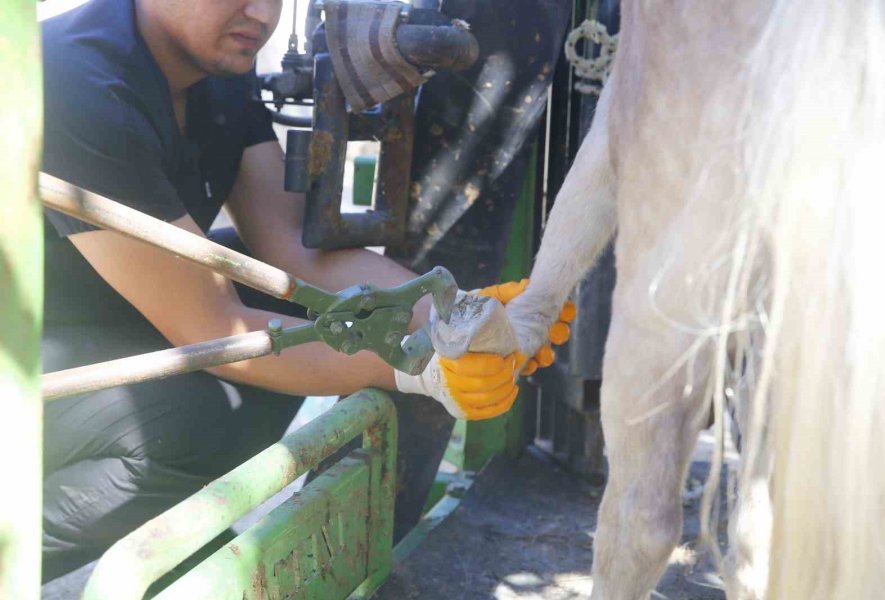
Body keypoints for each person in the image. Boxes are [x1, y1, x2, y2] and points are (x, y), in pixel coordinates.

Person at [38, 0, 571, 581]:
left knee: (277, 336)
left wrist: (461, 315)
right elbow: (214, 325)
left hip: (105, 312)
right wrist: (417, 367)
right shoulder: (78, 85)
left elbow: (293, 246)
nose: (261, 13)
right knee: (194, 423)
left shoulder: (215, 68)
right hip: (30, 355)